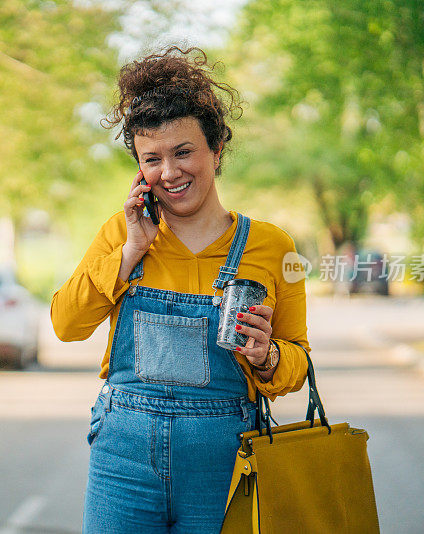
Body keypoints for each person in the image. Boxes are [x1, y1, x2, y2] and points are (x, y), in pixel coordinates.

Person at [50, 46, 310, 534]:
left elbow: (298, 359)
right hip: (123, 463)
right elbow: (65, 324)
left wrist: (268, 357)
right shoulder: (120, 235)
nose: (169, 172)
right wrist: (129, 252)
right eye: (152, 159)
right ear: (139, 169)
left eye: (183, 151)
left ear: (216, 150)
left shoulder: (273, 246)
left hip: (226, 461)